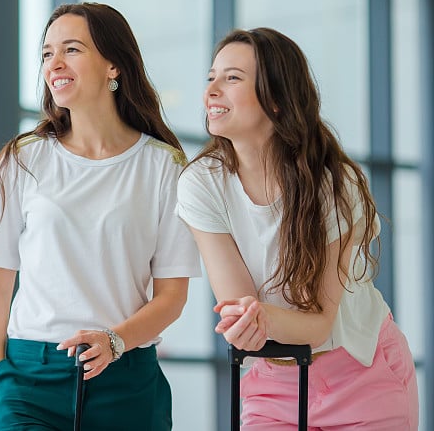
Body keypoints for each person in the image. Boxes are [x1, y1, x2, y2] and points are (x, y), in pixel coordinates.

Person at [176, 27, 419, 430]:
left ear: (275, 99)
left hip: (363, 372)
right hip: (272, 383)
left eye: (232, 77)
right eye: (211, 77)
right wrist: (249, 323)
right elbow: (239, 309)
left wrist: (257, 319)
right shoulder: (201, 183)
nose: (212, 90)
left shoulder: (333, 184)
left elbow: (319, 323)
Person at [0, 2, 201, 430]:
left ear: (114, 65)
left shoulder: (164, 166)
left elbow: (172, 297)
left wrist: (116, 342)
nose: (54, 64)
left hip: (127, 381)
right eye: (46, 53)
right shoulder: (23, 160)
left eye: (72, 49)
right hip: (27, 380)